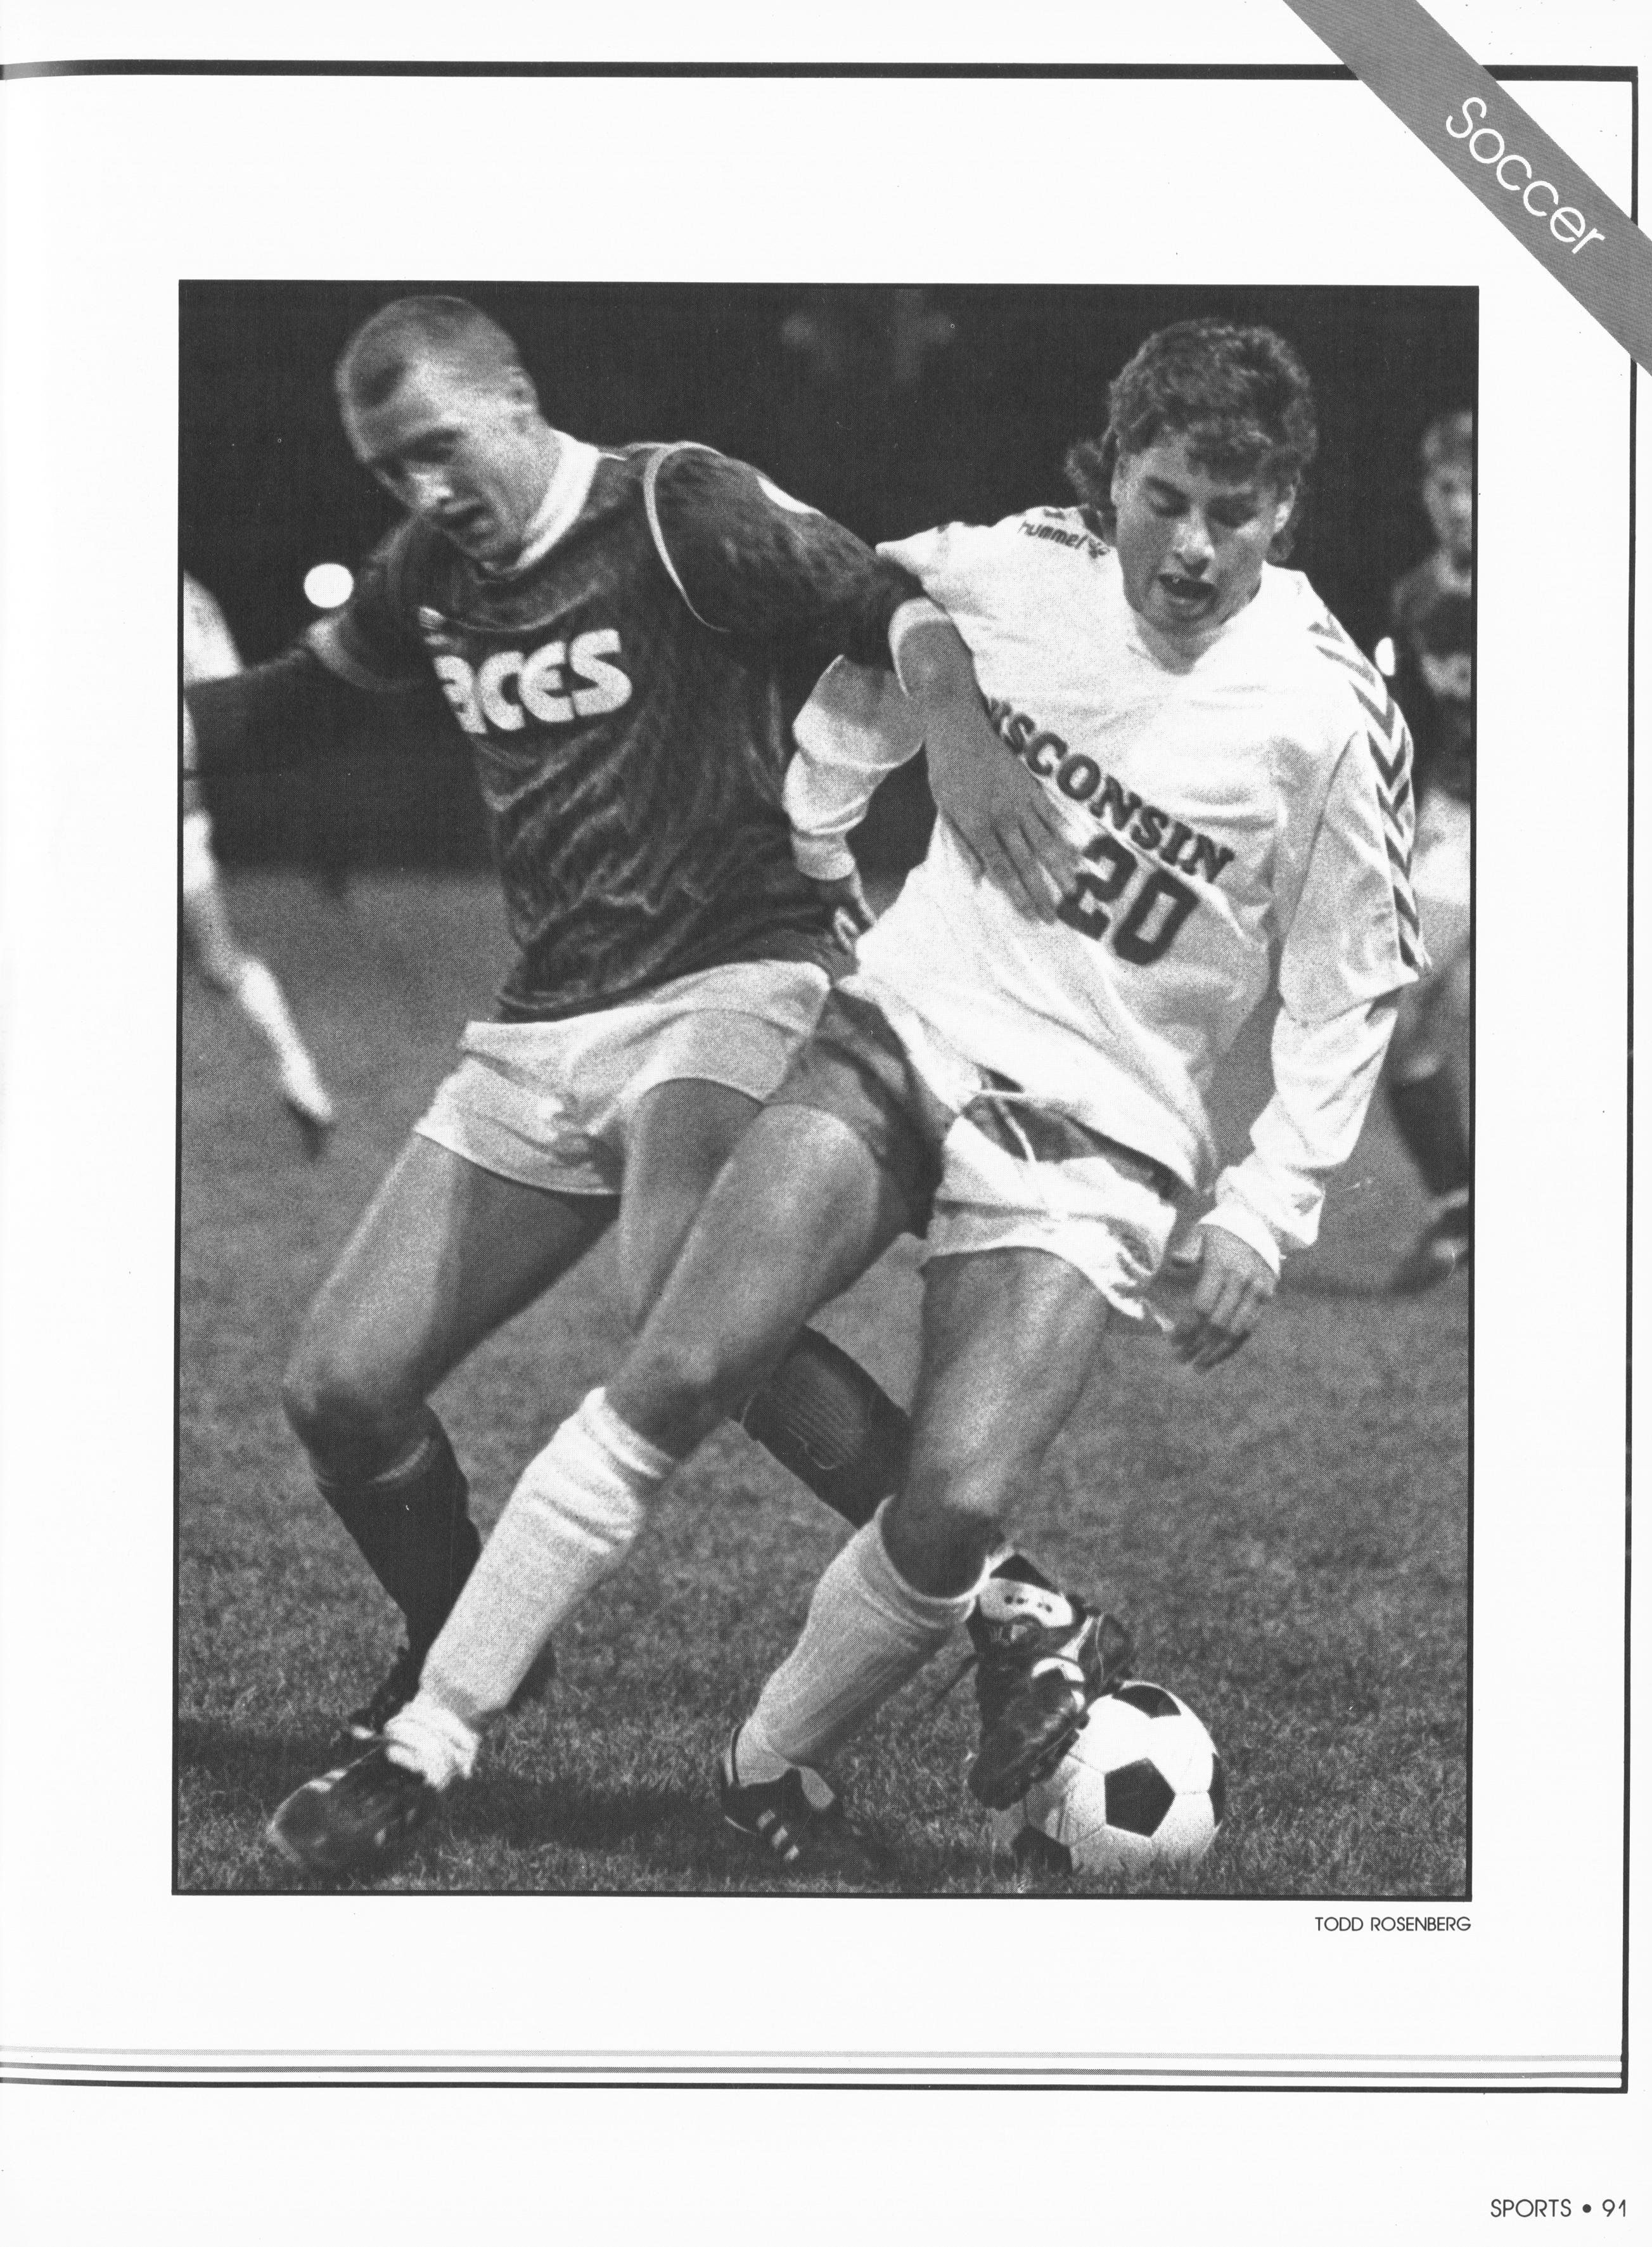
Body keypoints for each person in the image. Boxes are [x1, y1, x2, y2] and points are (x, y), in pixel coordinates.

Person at [267, 318, 1428, 1885]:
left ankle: (766, 1765)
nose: (1191, 548)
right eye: (1163, 499)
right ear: (1115, 475)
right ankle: (427, 1739)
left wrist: (1268, 1206)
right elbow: (870, 632)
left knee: (951, 1504)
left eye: (1233, 514)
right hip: (909, 1027)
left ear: (1282, 507)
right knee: (682, 1355)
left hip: (1103, 1126)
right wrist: (829, 816)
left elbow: (1352, 978)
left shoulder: (1331, 708)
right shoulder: (1016, 568)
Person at [186, 294, 1011, 1743]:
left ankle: (1016, 1611)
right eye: (389, 468)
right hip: (543, 1021)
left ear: (514, 400)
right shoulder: (431, 569)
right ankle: (463, 1648)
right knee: (341, 1387)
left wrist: (947, 707)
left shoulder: (675, 507)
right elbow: (301, 699)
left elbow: (877, 596)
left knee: (677, 1287)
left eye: (439, 446)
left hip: (731, 972)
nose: (422, 489)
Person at [181, 575, 336, 1152]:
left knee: (218, 961)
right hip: (167, 813)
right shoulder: (193, 597)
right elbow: (228, 699)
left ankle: (299, 1072)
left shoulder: (178, 600)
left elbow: (223, 703)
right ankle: (300, 1072)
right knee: (217, 962)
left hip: (155, 815)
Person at [1376, 410, 1474, 1291]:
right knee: (1398, 1011)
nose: (1462, 502)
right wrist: (1418, 815)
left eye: (1477, 483)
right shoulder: (1416, 598)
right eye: (1447, 485)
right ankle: (1459, 1205)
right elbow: (1420, 723)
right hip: (1464, 821)